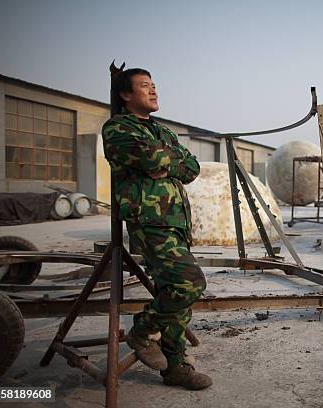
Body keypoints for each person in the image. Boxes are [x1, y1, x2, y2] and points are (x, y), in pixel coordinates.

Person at [102, 68, 212, 390]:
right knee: (189, 283)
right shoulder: (118, 128)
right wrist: (166, 163)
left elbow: (191, 167)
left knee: (174, 294)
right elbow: (153, 160)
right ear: (125, 94)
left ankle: (176, 368)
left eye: (154, 86)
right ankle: (141, 330)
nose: (153, 91)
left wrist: (169, 163)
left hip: (176, 223)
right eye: (144, 86)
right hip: (150, 223)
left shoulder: (163, 131)